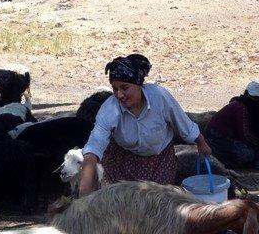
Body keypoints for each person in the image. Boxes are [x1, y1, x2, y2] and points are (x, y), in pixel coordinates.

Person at [78, 54, 211, 196]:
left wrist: (201, 143)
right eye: (115, 89)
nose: (119, 95)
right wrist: (84, 191)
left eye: (124, 87)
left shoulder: (159, 97)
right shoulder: (109, 109)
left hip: (160, 162)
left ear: (139, 84)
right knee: (123, 205)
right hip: (122, 162)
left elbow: (183, 124)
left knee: (156, 204)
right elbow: (94, 146)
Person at [204, 81, 259, 169]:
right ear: (246, 93)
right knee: (248, 154)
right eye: (251, 96)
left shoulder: (241, 104)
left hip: (220, 136)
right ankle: (219, 161)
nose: (252, 99)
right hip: (216, 137)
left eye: (255, 97)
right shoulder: (241, 108)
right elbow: (245, 134)